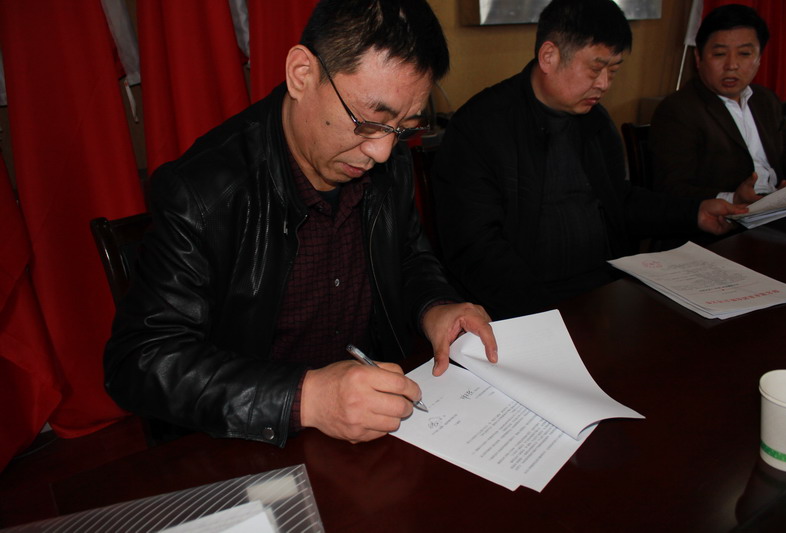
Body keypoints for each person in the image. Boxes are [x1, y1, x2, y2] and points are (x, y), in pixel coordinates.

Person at [104, 0, 498, 448]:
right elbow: (140, 361)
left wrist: (436, 307)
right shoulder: (203, 191)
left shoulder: (389, 159)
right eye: (369, 122)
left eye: (403, 128)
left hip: (374, 424)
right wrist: (306, 398)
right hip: (253, 441)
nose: (382, 152)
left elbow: (407, 257)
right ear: (301, 74)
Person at [432, 0, 745, 321]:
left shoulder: (595, 121)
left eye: (614, 70)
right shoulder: (481, 126)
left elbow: (619, 202)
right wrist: (551, 317)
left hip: (606, 287)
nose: (604, 84)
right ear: (549, 56)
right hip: (527, 304)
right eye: (596, 69)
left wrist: (694, 212)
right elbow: (476, 247)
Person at [651, 4, 786, 203]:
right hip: (726, 217)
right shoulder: (678, 110)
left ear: (759, 58)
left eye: (744, 54)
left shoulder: (764, 100)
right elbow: (671, 188)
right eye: (720, 54)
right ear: (698, 58)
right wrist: (733, 199)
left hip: (776, 209)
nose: (732, 65)